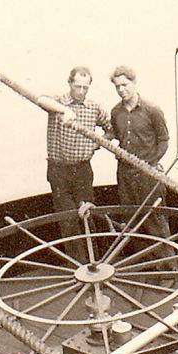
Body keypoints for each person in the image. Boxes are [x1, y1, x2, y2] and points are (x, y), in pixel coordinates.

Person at [36, 66, 111, 263]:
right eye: (77, 86)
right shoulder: (59, 101)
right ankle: (78, 266)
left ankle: (95, 265)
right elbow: (40, 99)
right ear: (69, 83)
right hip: (59, 170)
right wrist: (64, 110)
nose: (81, 91)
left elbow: (111, 129)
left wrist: (98, 142)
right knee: (67, 219)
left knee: (87, 215)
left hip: (83, 170)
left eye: (85, 87)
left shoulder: (93, 107)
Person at [108, 66, 176, 270]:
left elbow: (164, 140)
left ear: (134, 83)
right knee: (132, 221)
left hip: (148, 176)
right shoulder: (115, 112)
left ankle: (169, 269)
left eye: (125, 85)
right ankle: (149, 269)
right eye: (117, 86)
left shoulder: (152, 110)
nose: (121, 90)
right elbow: (118, 138)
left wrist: (151, 163)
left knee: (155, 220)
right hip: (125, 175)